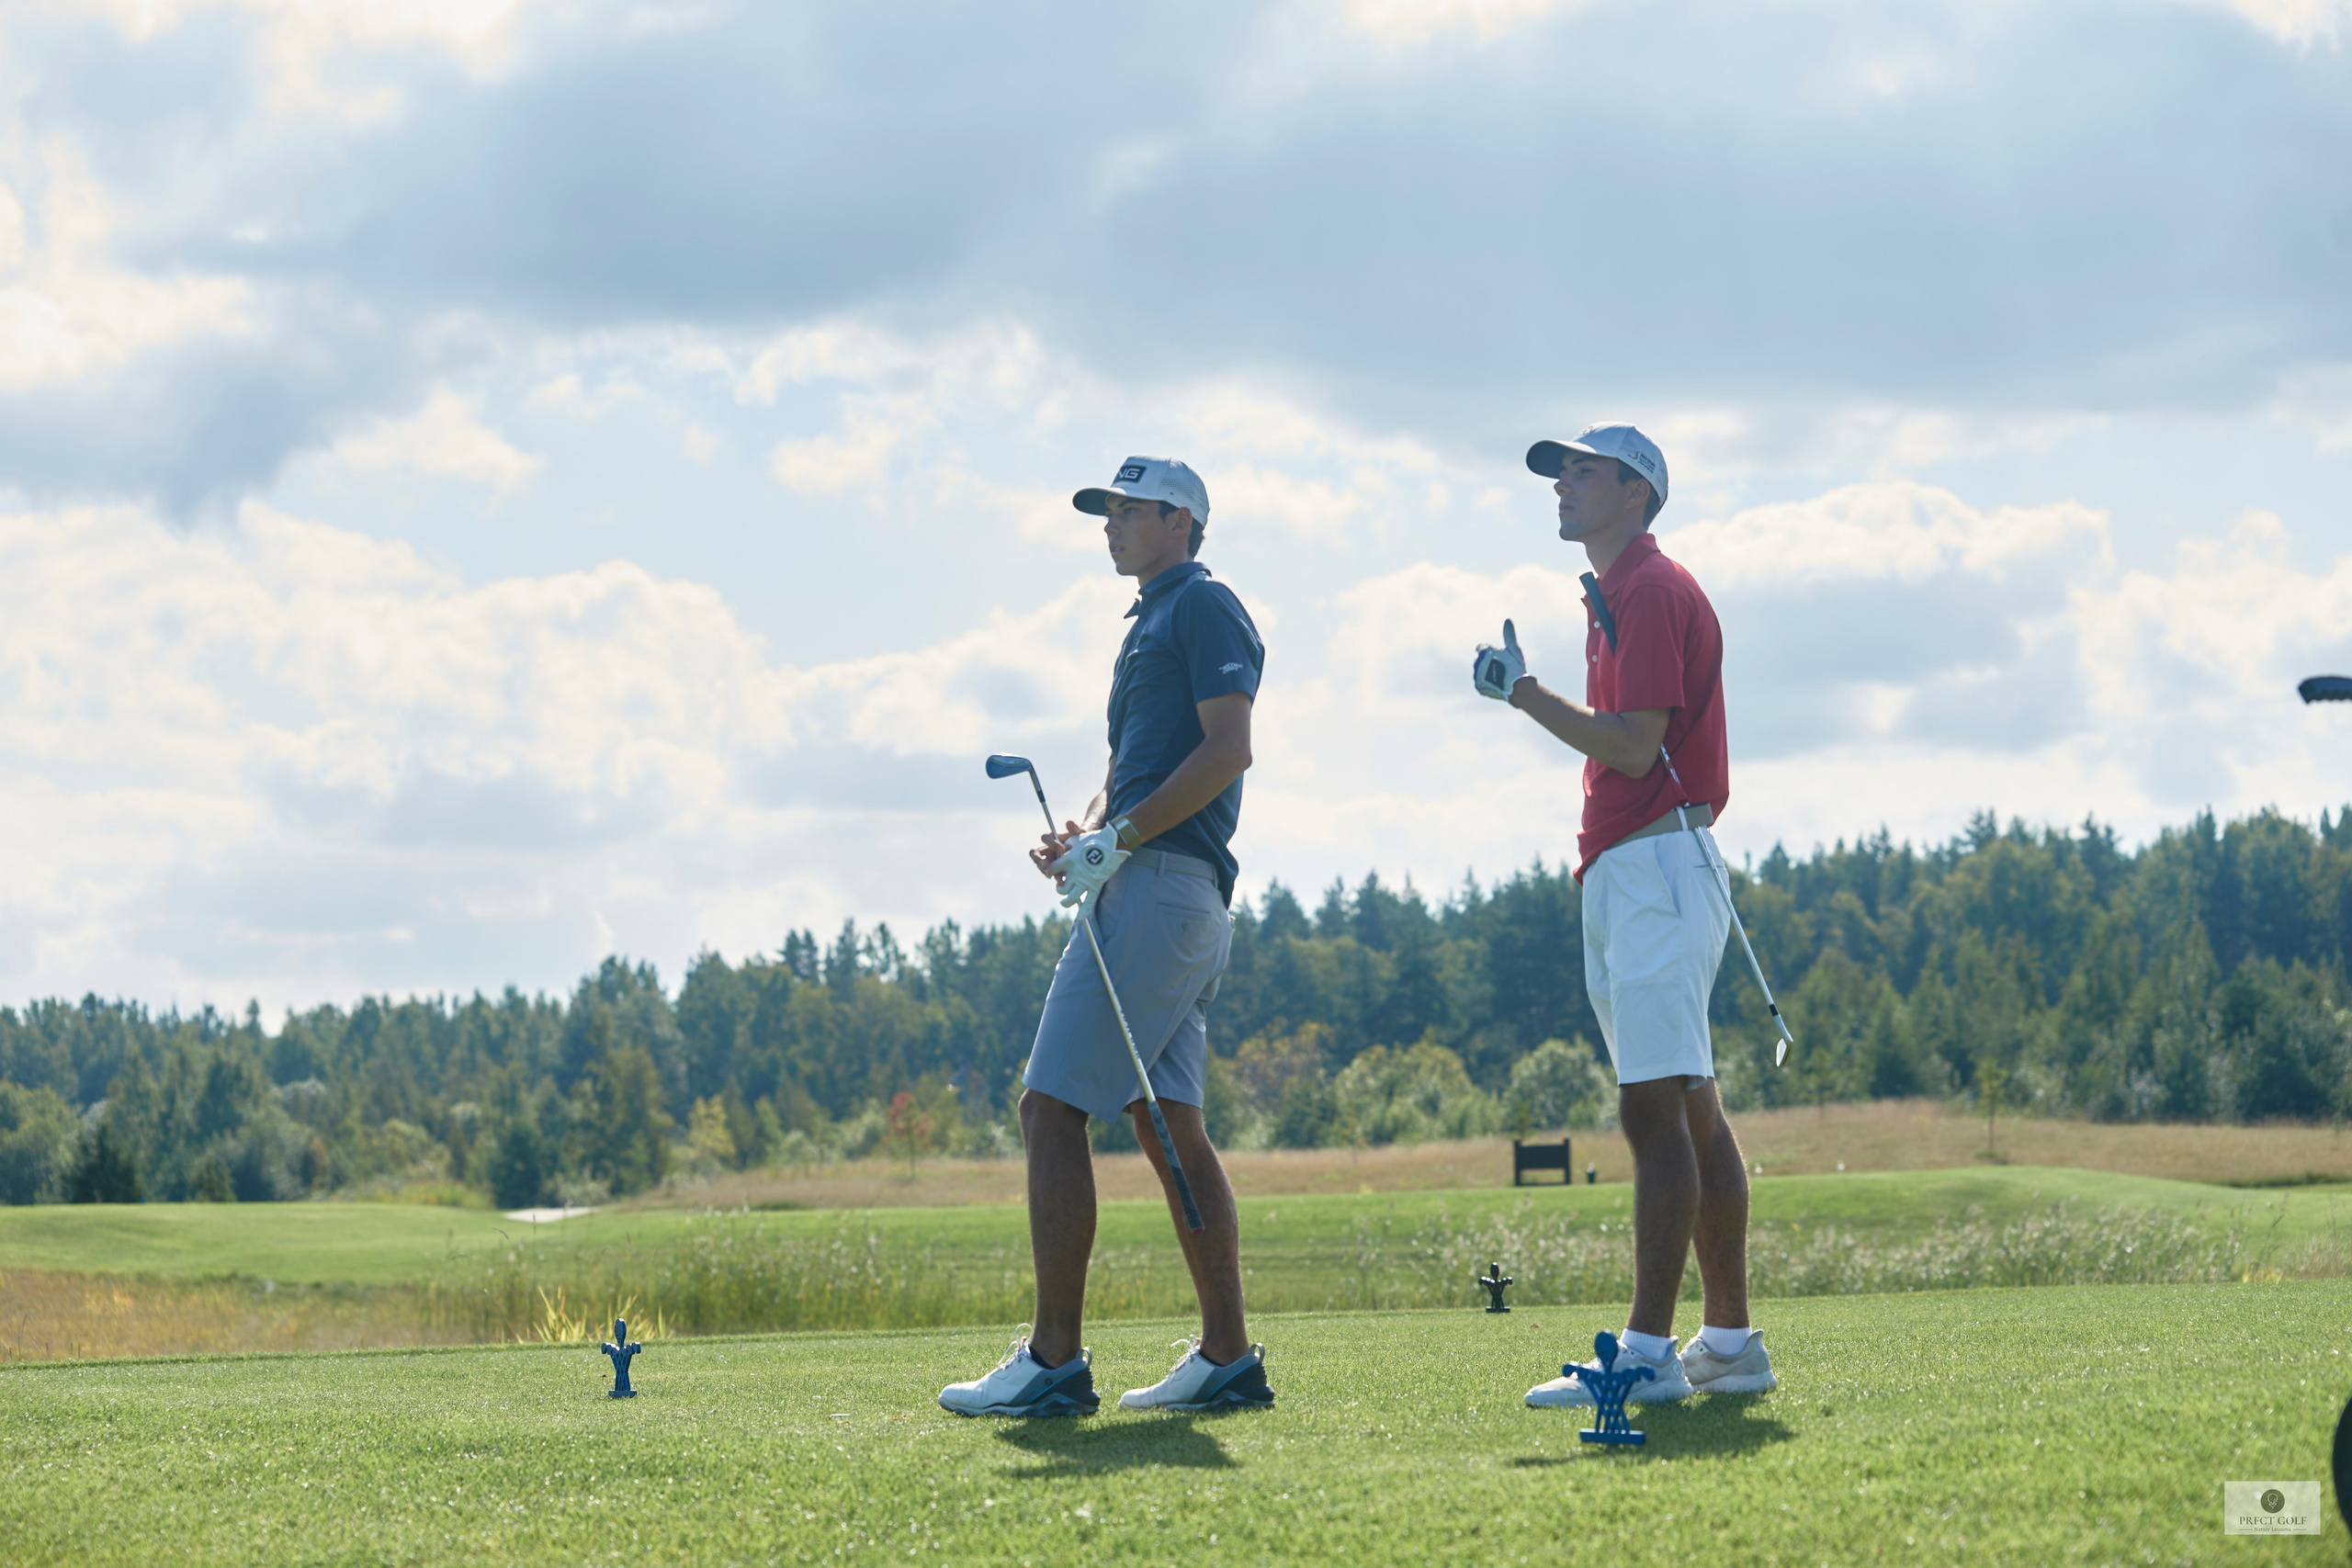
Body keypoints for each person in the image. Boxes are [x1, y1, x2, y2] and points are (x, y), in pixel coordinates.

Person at [938, 456, 1273, 1417]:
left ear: (1181, 519)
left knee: (1048, 1110)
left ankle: (1053, 1361)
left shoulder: (1201, 607)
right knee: (1166, 1121)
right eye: (1106, 510)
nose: (1109, 523)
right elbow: (1135, 768)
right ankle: (1226, 1356)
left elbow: (1227, 750)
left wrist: (1118, 841)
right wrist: (1090, 832)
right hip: (1164, 889)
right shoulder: (1153, 622)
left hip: (1159, 890)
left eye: (1127, 509)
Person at [1469, 423, 1778, 1406]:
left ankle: (1645, 1356)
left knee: (1652, 1108)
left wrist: (1523, 695)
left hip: (1655, 865)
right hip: (1636, 865)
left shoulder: (1646, 588)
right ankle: (1727, 1347)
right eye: (1558, 471)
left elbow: (1636, 748)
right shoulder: (1616, 594)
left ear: (1637, 491)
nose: (1561, 482)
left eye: (1582, 470)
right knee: (1689, 1105)